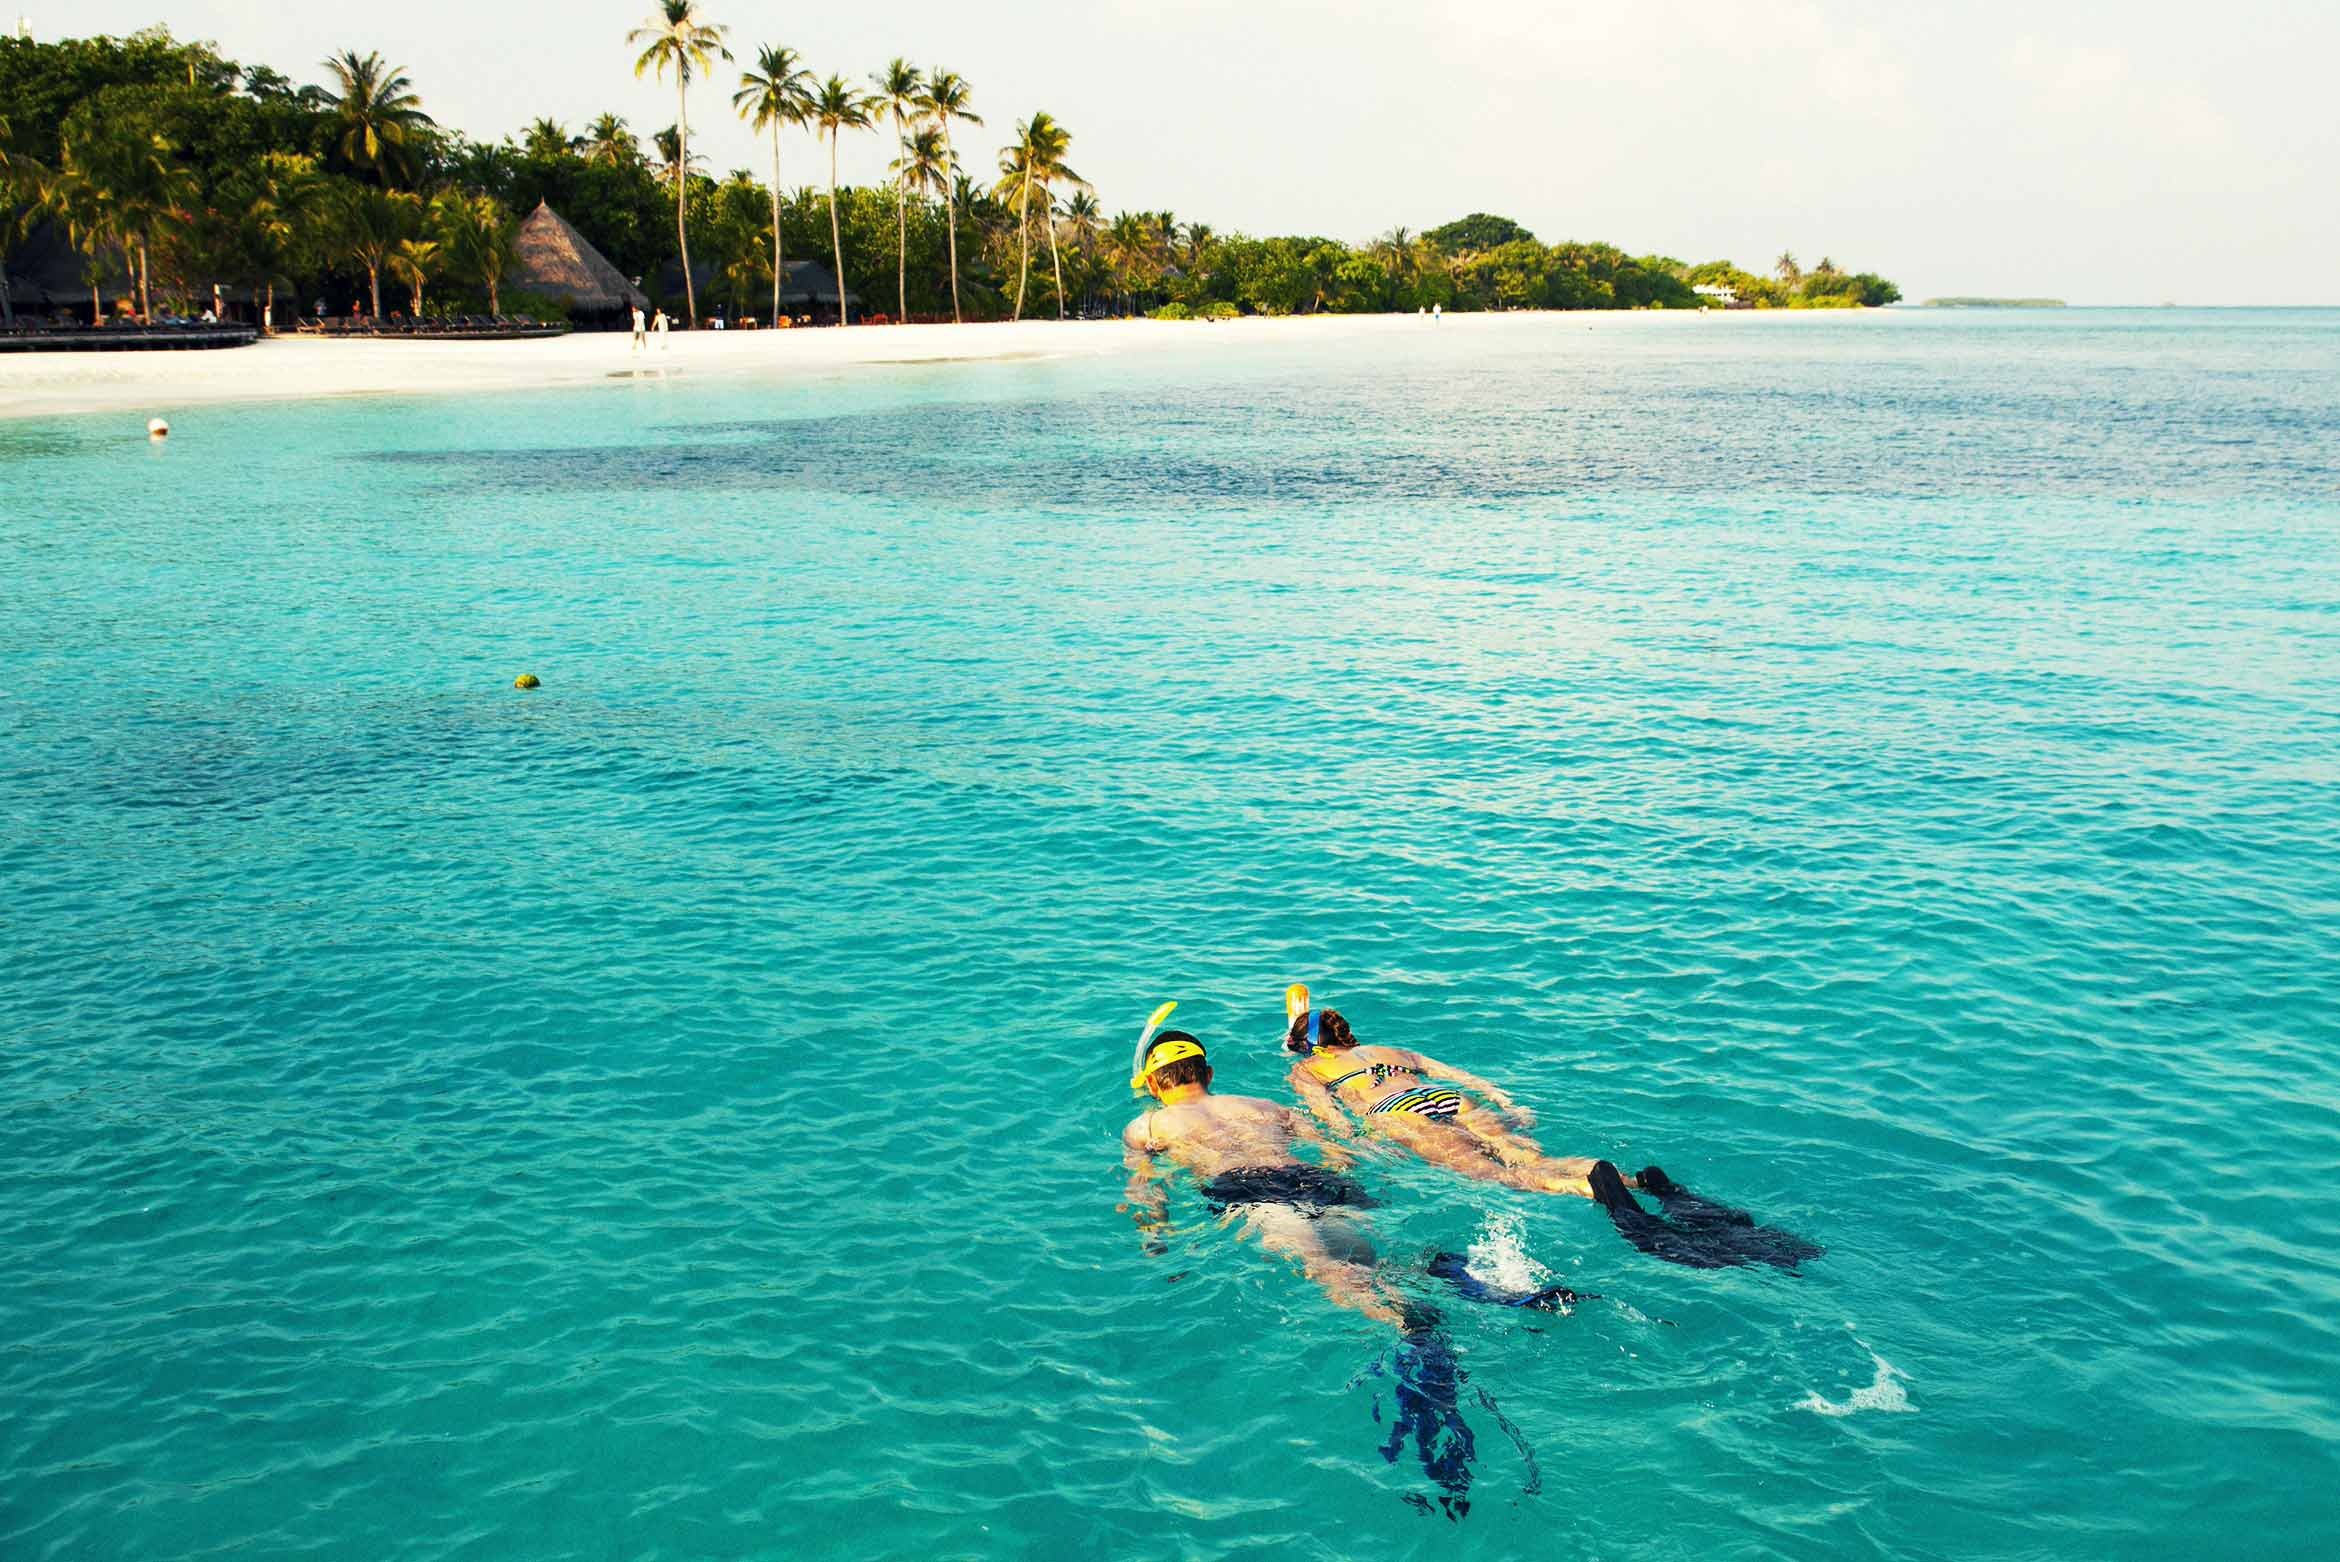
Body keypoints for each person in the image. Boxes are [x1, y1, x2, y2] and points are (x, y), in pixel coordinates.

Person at [1283, 985, 1822, 1271]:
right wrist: (1507, 1105)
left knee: (1501, 1176)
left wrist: (1348, 1148)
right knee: (1528, 1157)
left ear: (1308, 1045)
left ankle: (1591, 1187)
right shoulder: (1393, 1049)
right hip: (1449, 1100)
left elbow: (1328, 1117)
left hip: (1397, 1112)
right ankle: (1633, 1179)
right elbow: (1468, 1078)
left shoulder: (1307, 1070)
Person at [1121, 1012, 1406, 1326]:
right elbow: (1336, 1151)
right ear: (1209, 1074)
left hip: (1251, 1191)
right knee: (1368, 1265)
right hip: (1313, 1180)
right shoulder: (1267, 1106)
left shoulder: (1147, 1125)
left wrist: (1155, 1236)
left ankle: (1410, 1333)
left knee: (1330, 1274)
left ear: (1152, 1083)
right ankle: (1417, 1308)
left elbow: (1146, 1188)